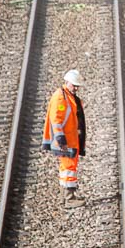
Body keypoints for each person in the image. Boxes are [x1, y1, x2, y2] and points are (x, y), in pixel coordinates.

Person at [43, 69, 86, 199]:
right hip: (65, 140)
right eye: (74, 85)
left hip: (70, 138)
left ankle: (65, 196)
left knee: (66, 167)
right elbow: (56, 119)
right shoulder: (60, 97)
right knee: (69, 167)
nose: (76, 88)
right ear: (67, 82)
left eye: (77, 86)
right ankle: (69, 198)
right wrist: (61, 139)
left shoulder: (68, 96)